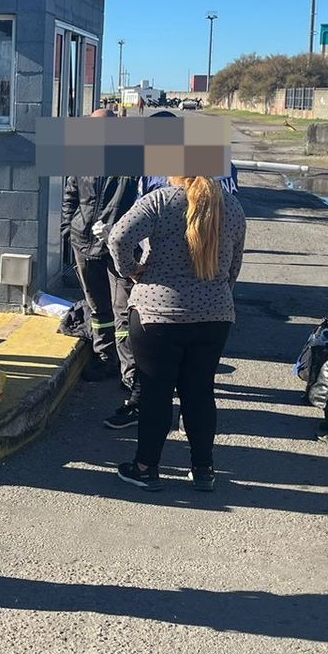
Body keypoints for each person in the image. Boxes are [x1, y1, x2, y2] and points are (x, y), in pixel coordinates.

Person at [107, 174, 247, 491]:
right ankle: (203, 469)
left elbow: (117, 238)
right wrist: (218, 293)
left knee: (156, 393)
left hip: (158, 314)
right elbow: (234, 263)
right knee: (199, 392)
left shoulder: (160, 201)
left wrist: (131, 270)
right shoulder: (233, 207)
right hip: (214, 316)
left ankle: (145, 467)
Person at [60, 108, 138, 396]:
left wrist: (119, 231)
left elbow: (142, 200)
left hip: (117, 245)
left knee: (123, 310)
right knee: (97, 307)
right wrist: (69, 229)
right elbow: (70, 194)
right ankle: (104, 358)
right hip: (84, 243)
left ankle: (129, 372)